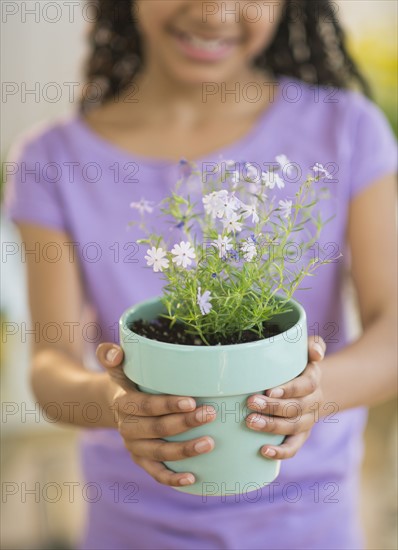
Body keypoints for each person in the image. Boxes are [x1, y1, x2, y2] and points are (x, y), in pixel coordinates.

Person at [4, 1, 397, 549]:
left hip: (307, 523)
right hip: (133, 526)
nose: (214, 12)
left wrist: (312, 395)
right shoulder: (53, 160)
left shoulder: (347, 130)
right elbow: (50, 365)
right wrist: (116, 404)